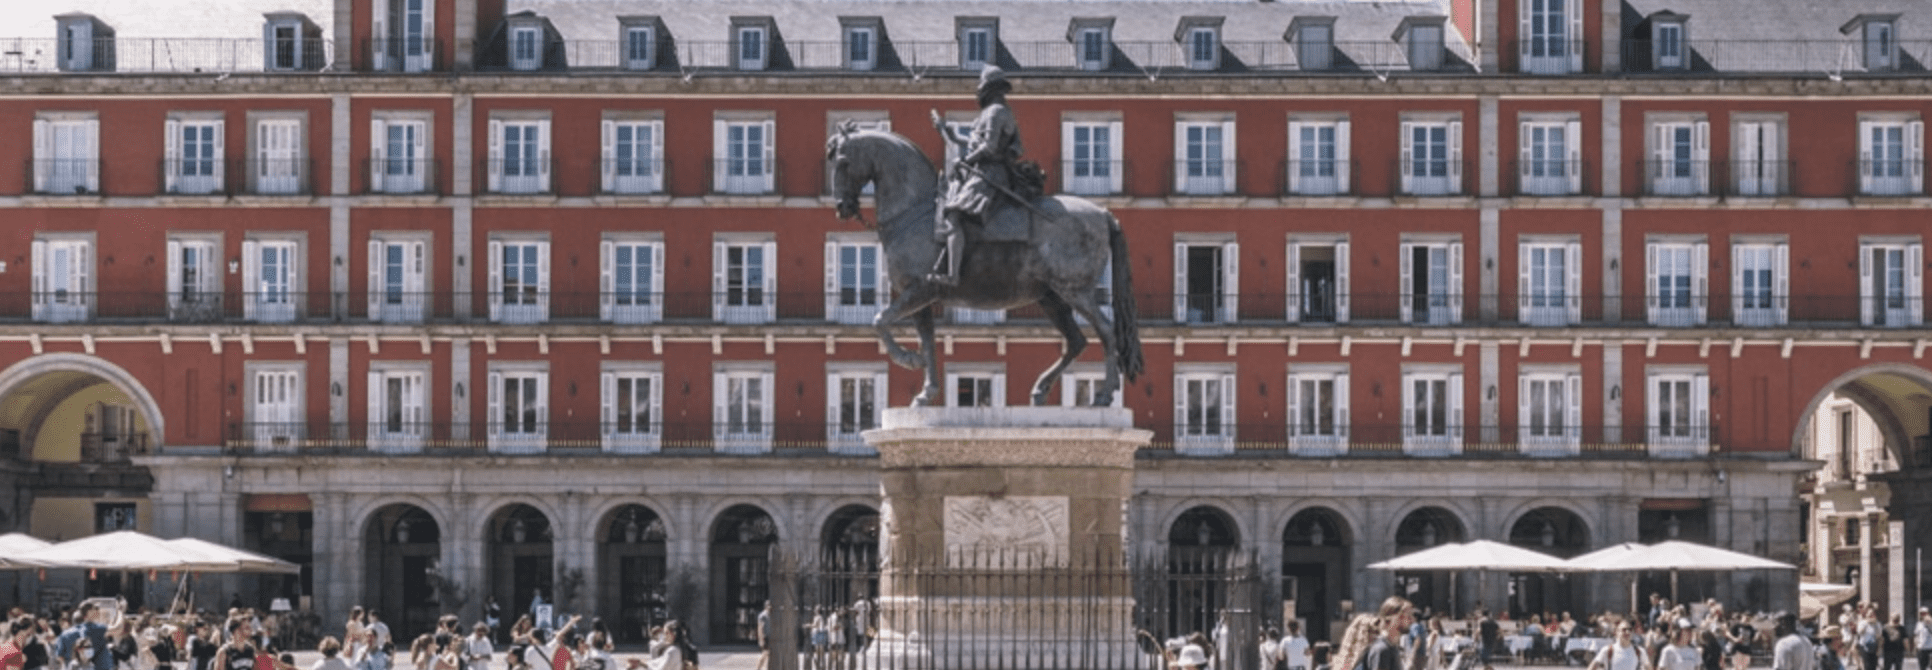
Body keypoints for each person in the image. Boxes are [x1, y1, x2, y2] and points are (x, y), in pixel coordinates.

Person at [926, 64, 1024, 286]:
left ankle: (952, 276)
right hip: (982, 171)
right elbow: (975, 142)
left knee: (953, 215)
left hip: (990, 174)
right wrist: (951, 134)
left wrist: (965, 161)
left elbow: (989, 147)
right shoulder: (996, 111)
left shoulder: (995, 112)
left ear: (988, 89)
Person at [1588, 621, 1654, 670]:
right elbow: (1593, 666)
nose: (1627, 632)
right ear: (1617, 632)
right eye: (1624, 630)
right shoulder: (1607, 650)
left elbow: (1649, 667)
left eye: (1630, 629)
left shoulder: (1639, 651)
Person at [753, 602, 771, 670]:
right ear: (766, 606)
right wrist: (761, 640)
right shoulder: (763, 615)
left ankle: (763, 668)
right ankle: (758, 668)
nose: (770, 607)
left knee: (768, 655)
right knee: (765, 653)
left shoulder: (770, 615)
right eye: (769, 606)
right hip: (765, 637)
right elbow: (760, 628)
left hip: (769, 637)